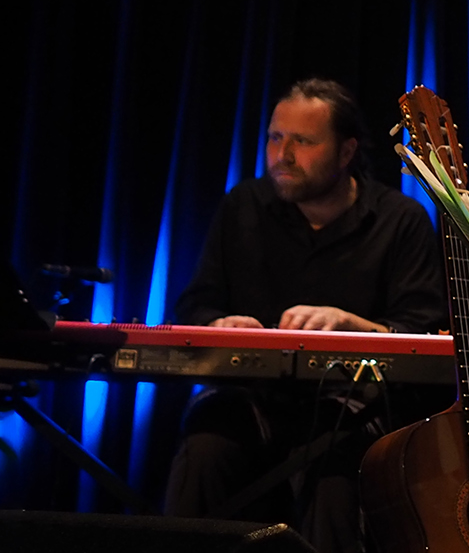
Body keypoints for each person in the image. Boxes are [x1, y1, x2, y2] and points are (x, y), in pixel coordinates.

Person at [165, 78, 448, 553]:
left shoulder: (400, 220)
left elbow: (422, 331)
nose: (283, 154)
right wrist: (219, 324)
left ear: (346, 151)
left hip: (353, 406)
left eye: (303, 141)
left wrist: (351, 325)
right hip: (255, 397)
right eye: (275, 138)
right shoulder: (243, 207)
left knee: (336, 464)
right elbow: (197, 303)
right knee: (207, 443)